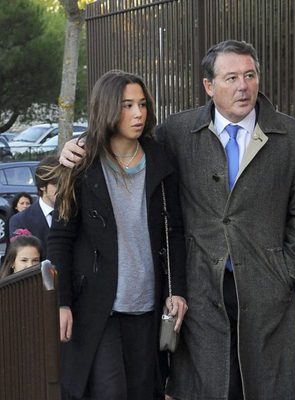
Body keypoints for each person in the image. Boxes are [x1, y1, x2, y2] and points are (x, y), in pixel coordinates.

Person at [59, 41, 295, 399]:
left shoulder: (292, 137)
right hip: (201, 289)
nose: (243, 86)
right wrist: (74, 147)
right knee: (210, 385)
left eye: (250, 75)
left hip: (266, 286)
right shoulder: (176, 133)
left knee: (267, 383)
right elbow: (119, 146)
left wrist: (289, 273)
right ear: (209, 86)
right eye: (231, 77)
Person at [47, 70, 187, 400]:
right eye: (126, 105)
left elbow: (175, 232)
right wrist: (61, 301)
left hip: (149, 306)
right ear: (108, 108)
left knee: (145, 391)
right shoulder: (81, 162)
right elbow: (60, 237)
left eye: (142, 104)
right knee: (108, 392)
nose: (138, 113)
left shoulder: (160, 159)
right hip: (98, 307)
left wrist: (176, 289)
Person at [8, 156, 59, 259]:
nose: (62, 190)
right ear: (42, 186)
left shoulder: (75, 213)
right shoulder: (20, 220)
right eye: (56, 185)